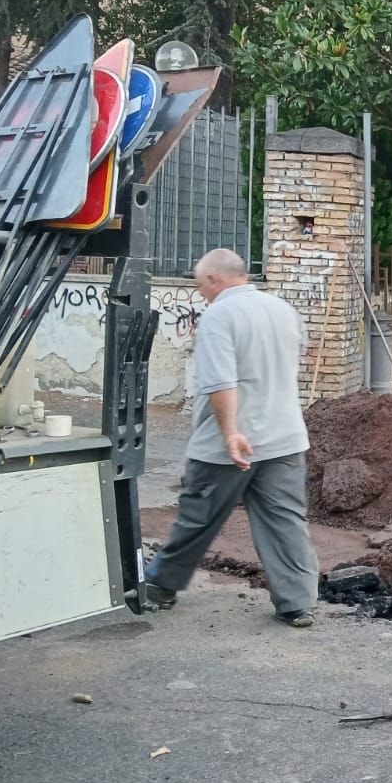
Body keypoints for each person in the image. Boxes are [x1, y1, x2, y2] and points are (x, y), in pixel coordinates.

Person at [145, 249, 320, 627]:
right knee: (285, 520)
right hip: (285, 437)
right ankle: (297, 603)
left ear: (214, 279)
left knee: (197, 517)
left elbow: (221, 383)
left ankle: (159, 586)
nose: (199, 293)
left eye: (199, 284)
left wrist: (230, 434)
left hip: (230, 445)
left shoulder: (219, 316)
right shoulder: (282, 310)